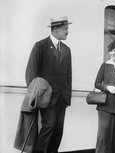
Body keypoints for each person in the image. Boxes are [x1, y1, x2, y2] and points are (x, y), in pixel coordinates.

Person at [25, 16, 72, 153]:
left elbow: (68, 75)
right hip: (46, 98)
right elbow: (31, 72)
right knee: (49, 127)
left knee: (58, 131)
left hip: (62, 99)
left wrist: (67, 97)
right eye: (65, 29)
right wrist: (35, 96)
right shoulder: (40, 46)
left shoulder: (67, 50)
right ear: (55, 30)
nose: (67, 32)